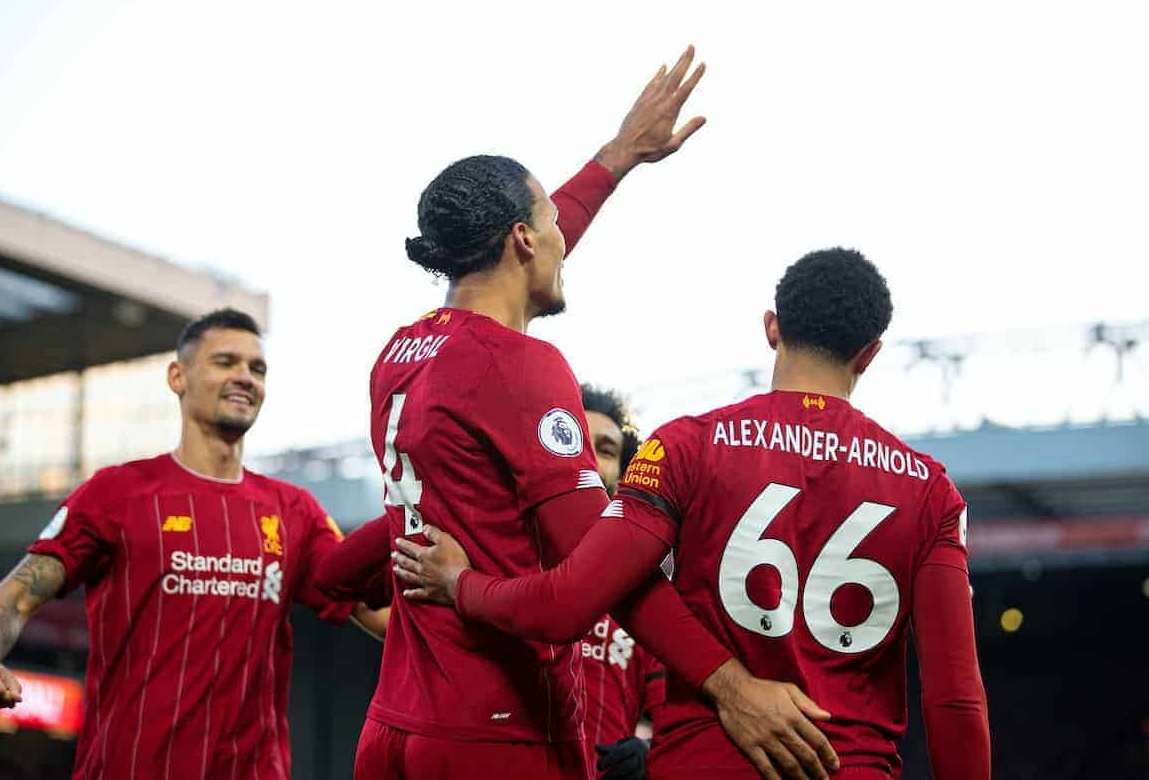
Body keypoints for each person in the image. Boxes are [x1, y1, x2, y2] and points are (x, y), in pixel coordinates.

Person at [315, 47, 837, 780]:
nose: (566, 236)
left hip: (395, 728)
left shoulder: (402, 354)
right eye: (552, 223)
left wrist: (618, 157)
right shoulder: (519, 366)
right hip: (498, 732)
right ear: (525, 240)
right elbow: (595, 578)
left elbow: (509, 266)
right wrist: (733, 686)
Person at [394, 248, 992, 779]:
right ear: (870, 354)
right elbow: (955, 699)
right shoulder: (930, 491)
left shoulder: (685, 447)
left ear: (771, 327)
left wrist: (459, 583)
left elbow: (568, 602)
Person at [0, 308, 387, 779]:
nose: (245, 377)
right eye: (225, 362)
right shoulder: (116, 494)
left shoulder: (294, 511)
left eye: (256, 368)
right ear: (177, 376)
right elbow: (14, 595)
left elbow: (379, 614)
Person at [579, 384, 664, 780]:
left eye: (607, 450)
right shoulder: (501, 558)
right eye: (574, 440)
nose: (590, 459)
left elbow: (676, 719)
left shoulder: (645, 588)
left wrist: (648, 752)